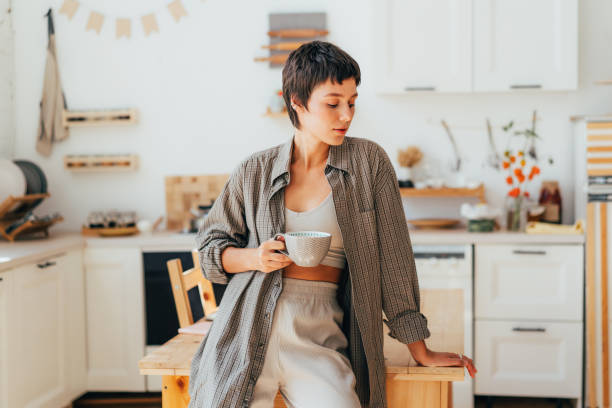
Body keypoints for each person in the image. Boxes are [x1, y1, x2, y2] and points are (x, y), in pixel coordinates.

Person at [188, 41, 476, 408]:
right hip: (246, 328)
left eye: (352, 102)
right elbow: (209, 251)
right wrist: (254, 259)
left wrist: (420, 349)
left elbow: (396, 262)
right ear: (296, 102)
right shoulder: (254, 170)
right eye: (333, 103)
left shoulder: (368, 162)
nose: (346, 115)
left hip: (320, 337)